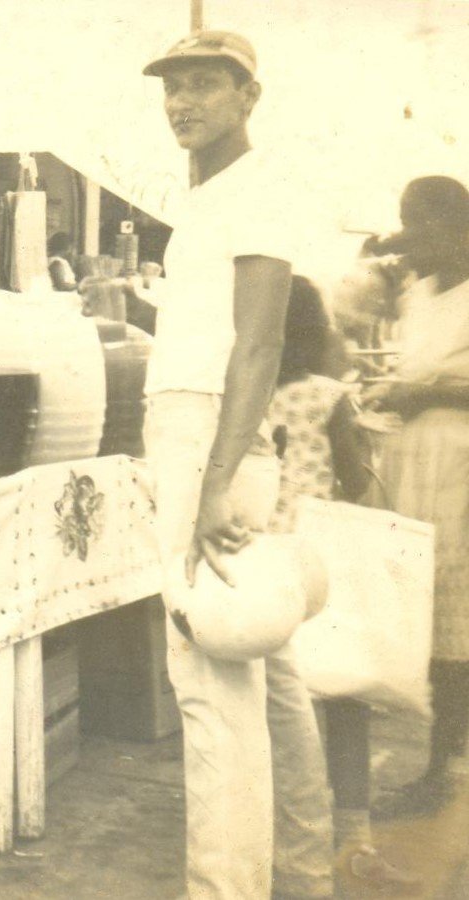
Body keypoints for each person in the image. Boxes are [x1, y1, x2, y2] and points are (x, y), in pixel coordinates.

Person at [130, 32, 335, 899]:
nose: (183, 102)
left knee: (209, 676)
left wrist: (213, 484)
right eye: (174, 87)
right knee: (268, 657)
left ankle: (228, 888)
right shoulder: (208, 195)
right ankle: (305, 866)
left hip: (209, 435)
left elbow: (258, 345)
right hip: (207, 431)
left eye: (205, 85)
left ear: (248, 97)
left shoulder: (259, 188)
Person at [267, 279, 421, 892]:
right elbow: (354, 483)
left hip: (268, 554)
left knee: (281, 699)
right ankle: (352, 831)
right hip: (324, 559)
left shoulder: (251, 392)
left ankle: (281, 823)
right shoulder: (330, 396)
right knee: (346, 695)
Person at [363, 175, 469, 818]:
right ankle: (441, 755)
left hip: (460, 466)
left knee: (457, 619)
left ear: (458, 231)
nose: (406, 239)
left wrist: (425, 393)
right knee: (426, 615)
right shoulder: (420, 293)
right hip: (417, 463)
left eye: (418, 224)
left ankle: (441, 767)